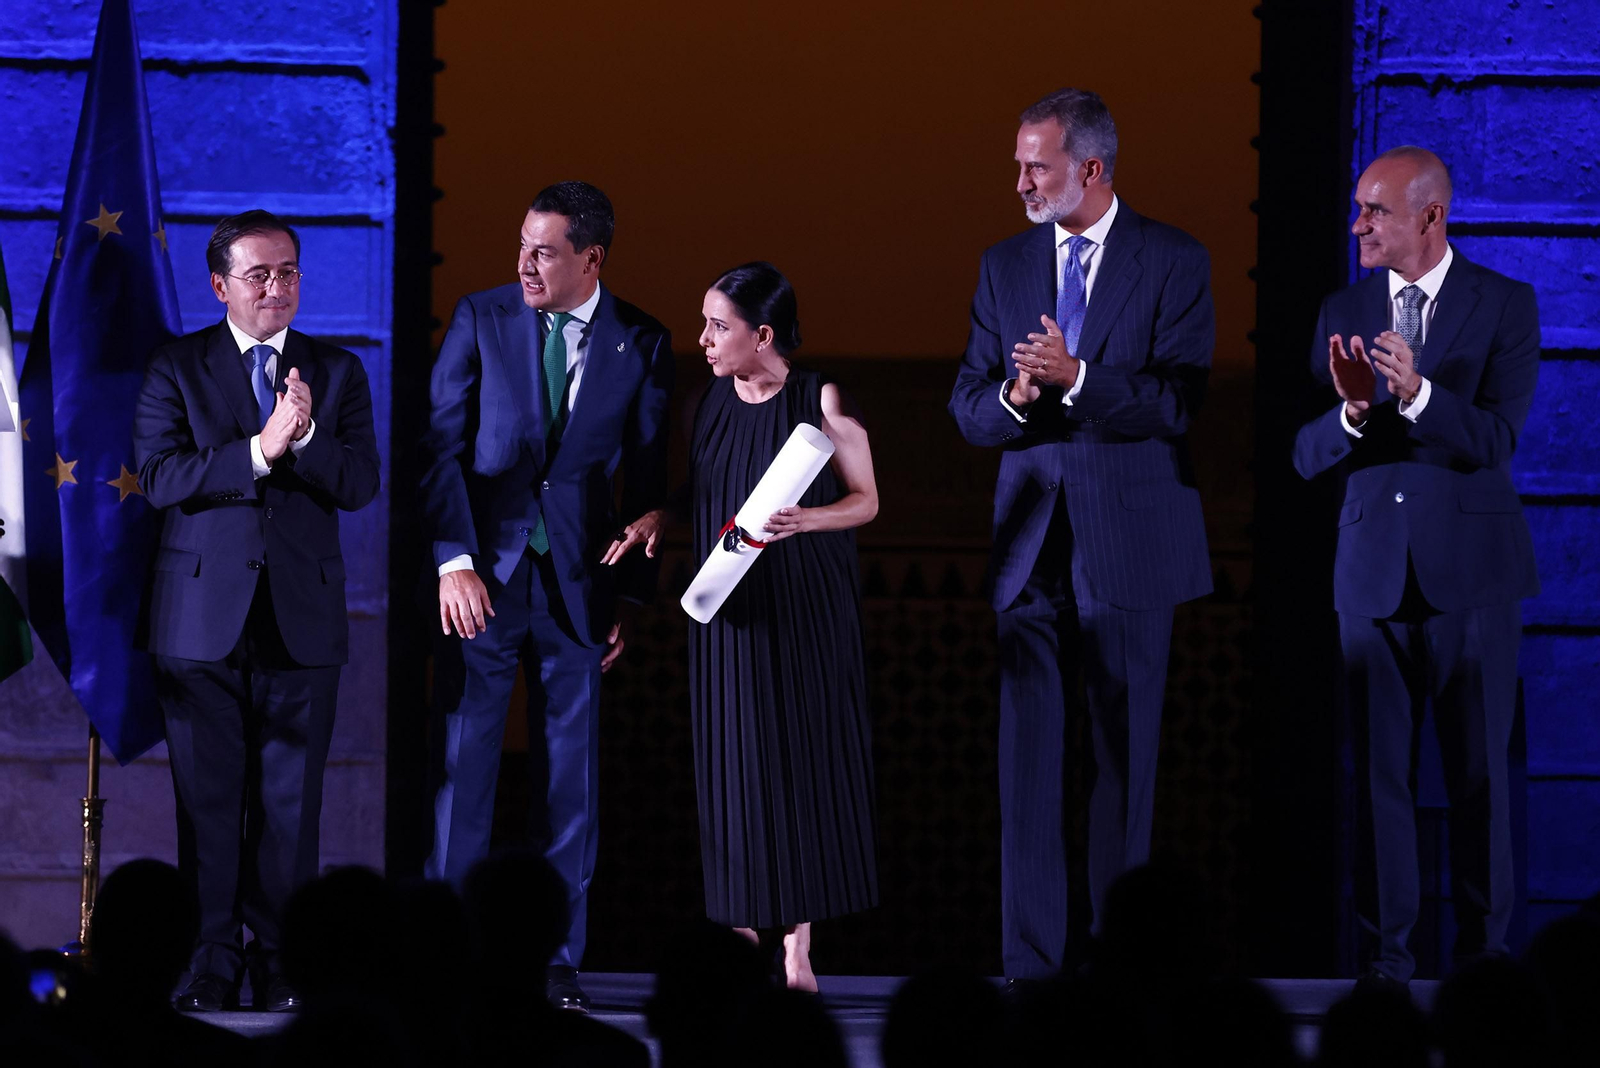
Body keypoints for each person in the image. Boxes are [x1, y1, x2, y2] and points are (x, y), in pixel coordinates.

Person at [948, 88, 1214, 985]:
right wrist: (1014, 397)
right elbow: (968, 406)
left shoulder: (1173, 259)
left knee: (1122, 763)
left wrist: (1080, 377)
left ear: (1091, 168)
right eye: (1019, 165)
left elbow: (1179, 403)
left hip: (1130, 541)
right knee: (1027, 768)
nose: (1020, 182)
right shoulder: (1003, 264)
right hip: (1030, 546)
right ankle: (1029, 966)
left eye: (1038, 167)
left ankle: (1117, 971)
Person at [418, 181, 674, 1011]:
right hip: (481, 583)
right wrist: (453, 560)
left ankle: (556, 961)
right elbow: (438, 449)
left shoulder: (643, 340)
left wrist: (629, 600)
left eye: (545, 252)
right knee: (463, 771)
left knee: (571, 782)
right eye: (522, 247)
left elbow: (648, 480)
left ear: (590, 259)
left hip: (580, 587)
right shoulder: (480, 317)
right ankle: (449, 954)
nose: (525, 265)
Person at [1292, 146, 1540, 987]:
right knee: (1379, 782)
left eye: (1376, 211)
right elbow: (1304, 454)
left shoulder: (1505, 303)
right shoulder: (1342, 309)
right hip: (1370, 574)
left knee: (1481, 778)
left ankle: (1486, 965)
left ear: (1431, 216)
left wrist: (1421, 397)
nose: (1357, 225)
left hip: (1473, 574)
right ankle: (1387, 966)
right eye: (1358, 207)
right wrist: (1354, 413)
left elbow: (1497, 441)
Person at [133, 210, 380, 1013]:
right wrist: (259, 450)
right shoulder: (175, 366)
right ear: (220, 285)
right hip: (199, 620)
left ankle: (280, 962)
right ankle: (211, 961)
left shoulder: (336, 371)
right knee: (208, 804)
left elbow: (361, 483)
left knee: (289, 807)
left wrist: (304, 441)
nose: (279, 287)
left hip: (300, 620)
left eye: (290, 272)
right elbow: (161, 478)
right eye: (260, 274)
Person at [611, 262, 879, 990]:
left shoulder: (819, 397)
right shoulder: (706, 402)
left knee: (800, 766)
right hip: (726, 613)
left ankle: (797, 949)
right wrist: (661, 516)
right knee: (732, 770)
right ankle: (739, 940)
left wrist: (806, 520)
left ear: (762, 335)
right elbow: (704, 489)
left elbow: (866, 501)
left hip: (804, 608)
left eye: (718, 327)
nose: (703, 339)